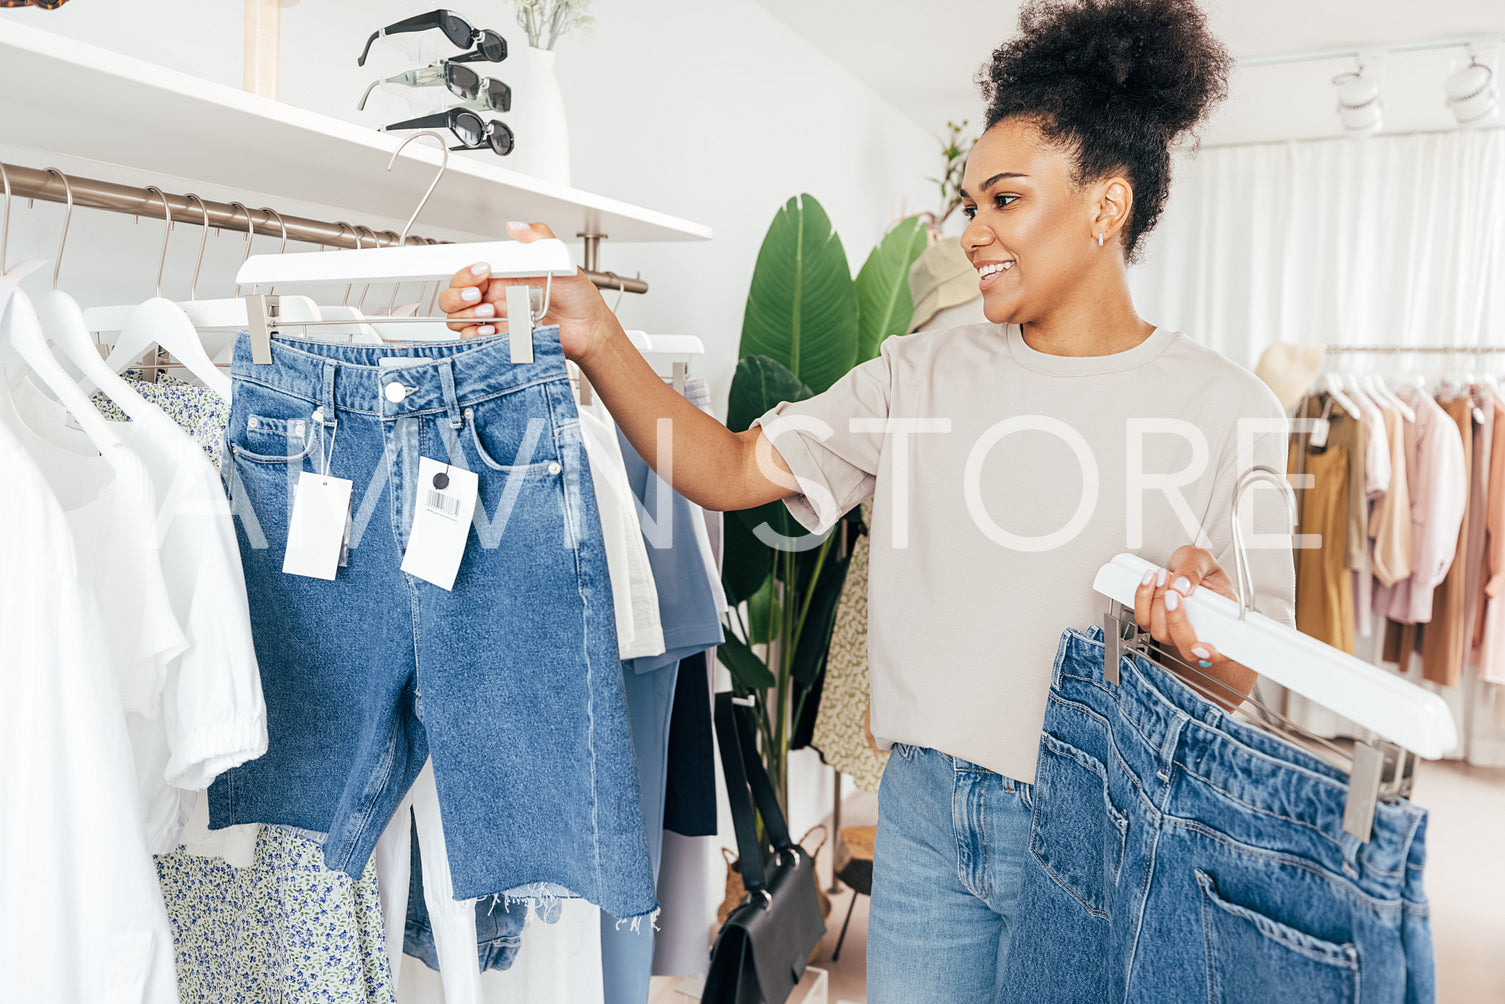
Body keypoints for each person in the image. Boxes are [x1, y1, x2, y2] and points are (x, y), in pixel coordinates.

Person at [441, 0, 1294, 998]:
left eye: (1003, 201)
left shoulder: (1225, 408)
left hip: (1093, 818)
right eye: (969, 204)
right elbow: (726, 468)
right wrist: (590, 334)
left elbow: (1246, 677)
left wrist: (1200, 627)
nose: (970, 232)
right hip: (925, 808)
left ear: (1105, 207)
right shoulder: (918, 371)